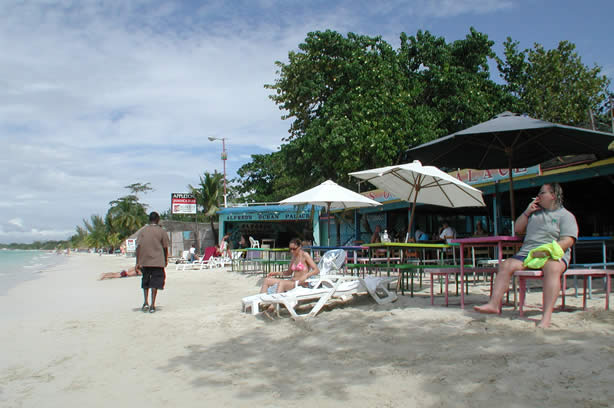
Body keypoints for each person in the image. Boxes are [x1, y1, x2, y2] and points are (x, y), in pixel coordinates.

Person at [474, 183, 578, 328]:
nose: (538, 196)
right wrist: (526, 212)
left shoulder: (566, 216)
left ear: (553, 195)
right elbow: (517, 229)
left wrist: (547, 251)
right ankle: (493, 304)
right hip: (527, 253)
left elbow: (568, 240)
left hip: (552, 254)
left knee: (552, 268)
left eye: (542, 193)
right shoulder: (534, 213)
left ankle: (546, 317)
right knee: (506, 264)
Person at [136, 211, 170, 314]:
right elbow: (165, 247)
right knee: (155, 283)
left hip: (144, 260)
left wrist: (137, 262)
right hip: (157, 261)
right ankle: (152, 305)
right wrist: (165, 259)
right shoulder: (161, 231)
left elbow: (138, 247)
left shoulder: (142, 231)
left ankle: (145, 302)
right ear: (158, 219)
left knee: (145, 282)